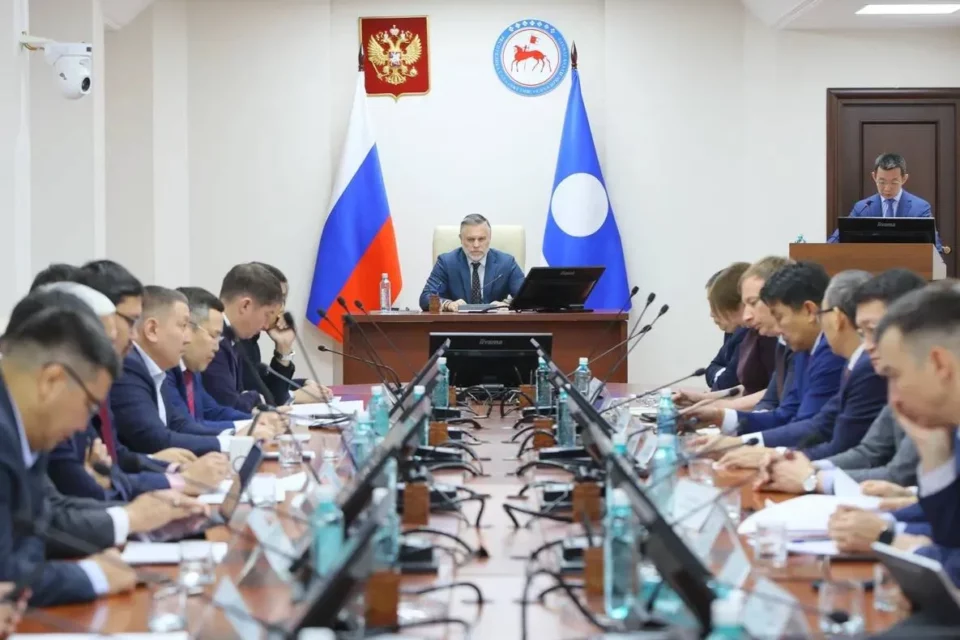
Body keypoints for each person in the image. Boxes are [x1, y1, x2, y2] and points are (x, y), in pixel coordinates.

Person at [0, 291, 139, 605]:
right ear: (52, 381)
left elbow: (33, 536)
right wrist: (94, 575)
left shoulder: (29, 426)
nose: (82, 427)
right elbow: (5, 578)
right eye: (89, 407)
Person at [755, 269, 926, 494]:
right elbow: (869, 451)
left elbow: (900, 475)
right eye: (862, 333)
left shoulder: (927, 386)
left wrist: (811, 479)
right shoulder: (897, 378)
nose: (868, 346)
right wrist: (802, 467)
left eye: (874, 331)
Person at [715, 270, 888, 468]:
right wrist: (735, 434)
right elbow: (811, 421)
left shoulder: (857, 363)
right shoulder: (810, 351)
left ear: (836, 317)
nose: (778, 327)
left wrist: (774, 458)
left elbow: (837, 443)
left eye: (779, 316)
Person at [687, 262, 846, 436]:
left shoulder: (829, 352)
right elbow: (783, 412)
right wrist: (720, 417)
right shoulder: (801, 348)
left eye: (754, 303)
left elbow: (810, 430)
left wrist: (738, 439)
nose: (747, 316)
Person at [111, 287, 275, 455]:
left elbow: (183, 423)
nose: (187, 338)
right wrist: (234, 440)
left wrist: (250, 426)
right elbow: (156, 440)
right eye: (183, 326)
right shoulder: (129, 368)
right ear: (152, 330)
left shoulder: (163, 368)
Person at [676, 256, 792, 416]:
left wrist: (719, 410)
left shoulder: (783, 341)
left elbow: (773, 401)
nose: (746, 316)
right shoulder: (780, 341)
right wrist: (704, 400)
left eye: (752, 302)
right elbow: (759, 392)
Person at [164, 287, 286, 437]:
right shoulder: (165, 371)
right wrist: (243, 429)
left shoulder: (191, 370)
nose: (217, 347)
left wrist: (256, 420)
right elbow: (183, 427)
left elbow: (213, 411)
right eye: (213, 336)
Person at [240, 263, 331, 405]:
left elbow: (262, 384)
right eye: (276, 299)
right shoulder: (234, 342)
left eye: (283, 300)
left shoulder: (251, 341)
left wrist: (284, 346)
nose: (281, 308)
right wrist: (294, 396)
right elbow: (258, 398)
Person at [204, 263, 288, 411]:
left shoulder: (232, 338)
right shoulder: (214, 340)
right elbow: (230, 404)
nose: (266, 325)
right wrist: (255, 399)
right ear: (245, 306)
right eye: (267, 314)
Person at [827, 152, 943, 252]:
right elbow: (837, 239)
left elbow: (935, 248)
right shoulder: (863, 207)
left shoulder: (920, 208)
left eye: (894, 182)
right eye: (882, 182)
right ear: (874, 177)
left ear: (904, 179)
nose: (887, 188)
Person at [418, 213, 524, 311]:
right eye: (470, 239)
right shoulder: (446, 263)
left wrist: (506, 304)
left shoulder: (506, 263)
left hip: (495, 323)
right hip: (457, 323)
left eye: (481, 239)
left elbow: (526, 298)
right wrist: (448, 304)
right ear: (461, 239)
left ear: (489, 238)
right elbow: (425, 298)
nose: (476, 245)